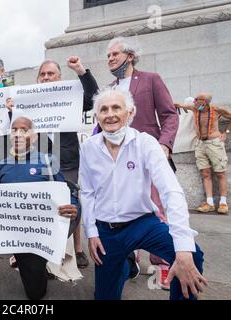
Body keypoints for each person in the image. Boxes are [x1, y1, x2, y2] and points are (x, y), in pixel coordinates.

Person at [80, 88, 206, 300]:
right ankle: (124, 266)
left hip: (142, 223)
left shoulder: (145, 143)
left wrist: (183, 249)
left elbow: (171, 191)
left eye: (116, 108)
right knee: (104, 296)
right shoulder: (88, 147)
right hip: (107, 231)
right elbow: (87, 192)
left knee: (192, 254)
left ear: (130, 113)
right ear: (97, 117)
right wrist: (91, 232)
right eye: (104, 109)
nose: (110, 114)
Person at [0, 116, 81, 300]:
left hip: (33, 235)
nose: (18, 134)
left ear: (33, 136)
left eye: (24, 130)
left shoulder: (47, 162)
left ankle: (38, 268)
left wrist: (72, 206)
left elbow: (67, 192)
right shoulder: (3, 163)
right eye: (14, 130)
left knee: (35, 294)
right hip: (4, 228)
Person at [6, 57, 99, 269]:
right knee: (41, 204)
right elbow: (18, 128)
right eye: (43, 74)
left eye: (51, 74)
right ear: (38, 79)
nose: (46, 77)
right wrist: (11, 111)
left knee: (71, 202)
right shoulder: (27, 101)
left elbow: (93, 97)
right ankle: (37, 250)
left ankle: (77, 249)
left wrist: (81, 71)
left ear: (60, 77)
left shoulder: (70, 97)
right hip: (38, 162)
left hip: (67, 161)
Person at [106, 36, 180, 283]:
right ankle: (131, 262)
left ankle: (164, 264)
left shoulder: (150, 80)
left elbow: (170, 115)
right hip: (120, 161)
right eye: (108, 56)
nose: (110, 58)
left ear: (129, 56)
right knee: (127, 210)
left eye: (114, 54)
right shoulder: (110, 89)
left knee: (157, 211)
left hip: (150, 157)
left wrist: (165, 145)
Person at [175, 93, 231, 214]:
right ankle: (209, 203)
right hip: (200, 145)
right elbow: (178, 104)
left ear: (204, 102)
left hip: (214, 144)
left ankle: (223, 203)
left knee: (220, 173)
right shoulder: (195, 108)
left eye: (197, 99)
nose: (194, 101)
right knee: (205, 173)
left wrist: (226, 132)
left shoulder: (216, 109)